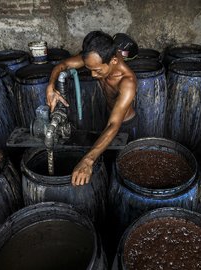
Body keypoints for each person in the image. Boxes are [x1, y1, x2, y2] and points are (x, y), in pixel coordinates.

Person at [46, 30, 138, 186]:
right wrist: (51, 86)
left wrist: (87, 161)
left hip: (124, 126)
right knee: (104, 163)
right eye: (90, 69)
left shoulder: (127, 82)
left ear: (114, 61)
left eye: (98, 70)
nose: (93, 75)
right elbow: (63, 65)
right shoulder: (96, 57)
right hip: (107, 116)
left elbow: (113, 124)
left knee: (121, 173)